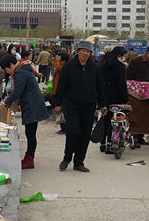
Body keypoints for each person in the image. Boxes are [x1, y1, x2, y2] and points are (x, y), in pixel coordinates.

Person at [54, 41, 105, 173]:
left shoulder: (94, 67)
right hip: (72, 104)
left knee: (85, 134)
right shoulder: (69, 66)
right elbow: (61, 85)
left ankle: (79, 162)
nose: (85, 53)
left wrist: (102, 104)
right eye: (83, 50)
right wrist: (58, 103)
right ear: (78, 51)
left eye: (88, 51)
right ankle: (67, 158)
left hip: (89, 105)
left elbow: (99, 86)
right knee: (73, 131)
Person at [0, 53, 48, 169]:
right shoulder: (22, 70)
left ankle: (29, 160)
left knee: (31, 134)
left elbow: (17, 92)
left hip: (33, 105)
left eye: (6, 69)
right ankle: (28, 157)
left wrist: (6, 102)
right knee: (29, 133)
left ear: (11, 65)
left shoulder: (20, 73)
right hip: (31, 104)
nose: (7, 72)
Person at [98, 46, 129, 154]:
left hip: (104, 95)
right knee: (114, 120)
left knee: (105, 119)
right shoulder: (120, 67)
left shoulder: (103, 64)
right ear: (119, 56)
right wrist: (125, 98)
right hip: (115, 96)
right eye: (123, 56)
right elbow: (121, 84)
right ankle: (110, 144)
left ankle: (103, 142)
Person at [126, 44, 149, 145]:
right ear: (148, 53)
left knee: (144, 116)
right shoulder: (136, 61)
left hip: (146, 94)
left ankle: (141, 138)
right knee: (135, 115)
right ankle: (133, 137)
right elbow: (127, 77)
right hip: (135, 94)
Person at [49, 51, 70, 134]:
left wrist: (56, 61)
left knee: (62, 111)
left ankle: (65, 128)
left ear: (63, 61)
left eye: (60, 60)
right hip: (57, 90)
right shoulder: (63, 66)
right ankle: (63, 128)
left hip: (60, 91)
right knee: (61, 111)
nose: (58, 61)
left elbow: (57, 68)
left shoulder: (64, 68)